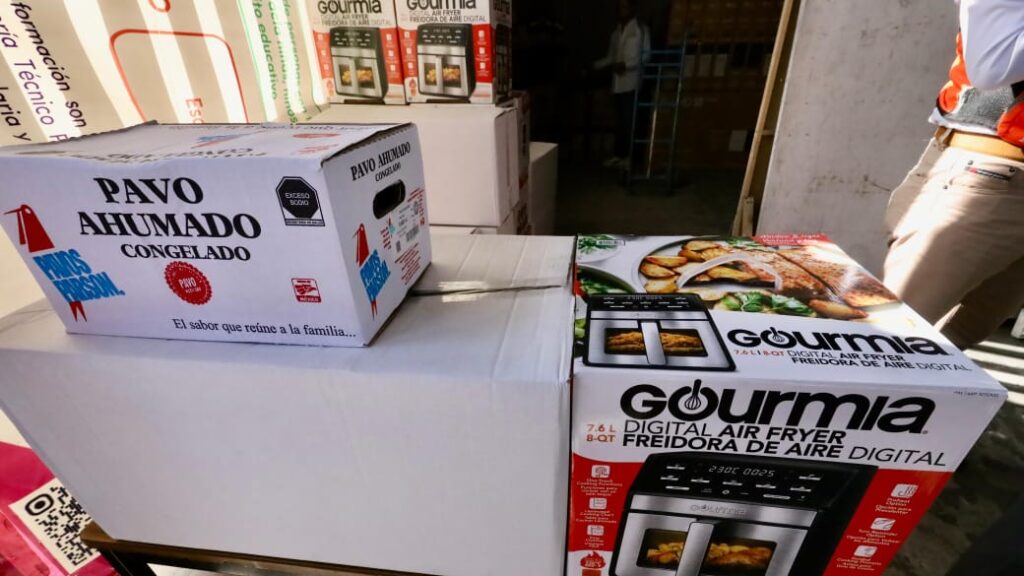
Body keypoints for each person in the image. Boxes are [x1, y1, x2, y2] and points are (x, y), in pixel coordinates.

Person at [884, 0, 1024, 350]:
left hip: (993, 181)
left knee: (941, 348)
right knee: (885, 341)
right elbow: (993, 66)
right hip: (991, 176)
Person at [594, 0, 650, 169]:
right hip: (618, 85)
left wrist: (626, 65)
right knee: (620, 122)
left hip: (632, 84)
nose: (621, 11)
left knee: (631, 122)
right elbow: (611, 57)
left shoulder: (640, 30)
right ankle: (619, 155)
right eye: (619, 8)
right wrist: (595, 66)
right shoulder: (616, 33)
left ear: (633, 8)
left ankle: (632, 158)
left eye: (625, 7)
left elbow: (646, 56)